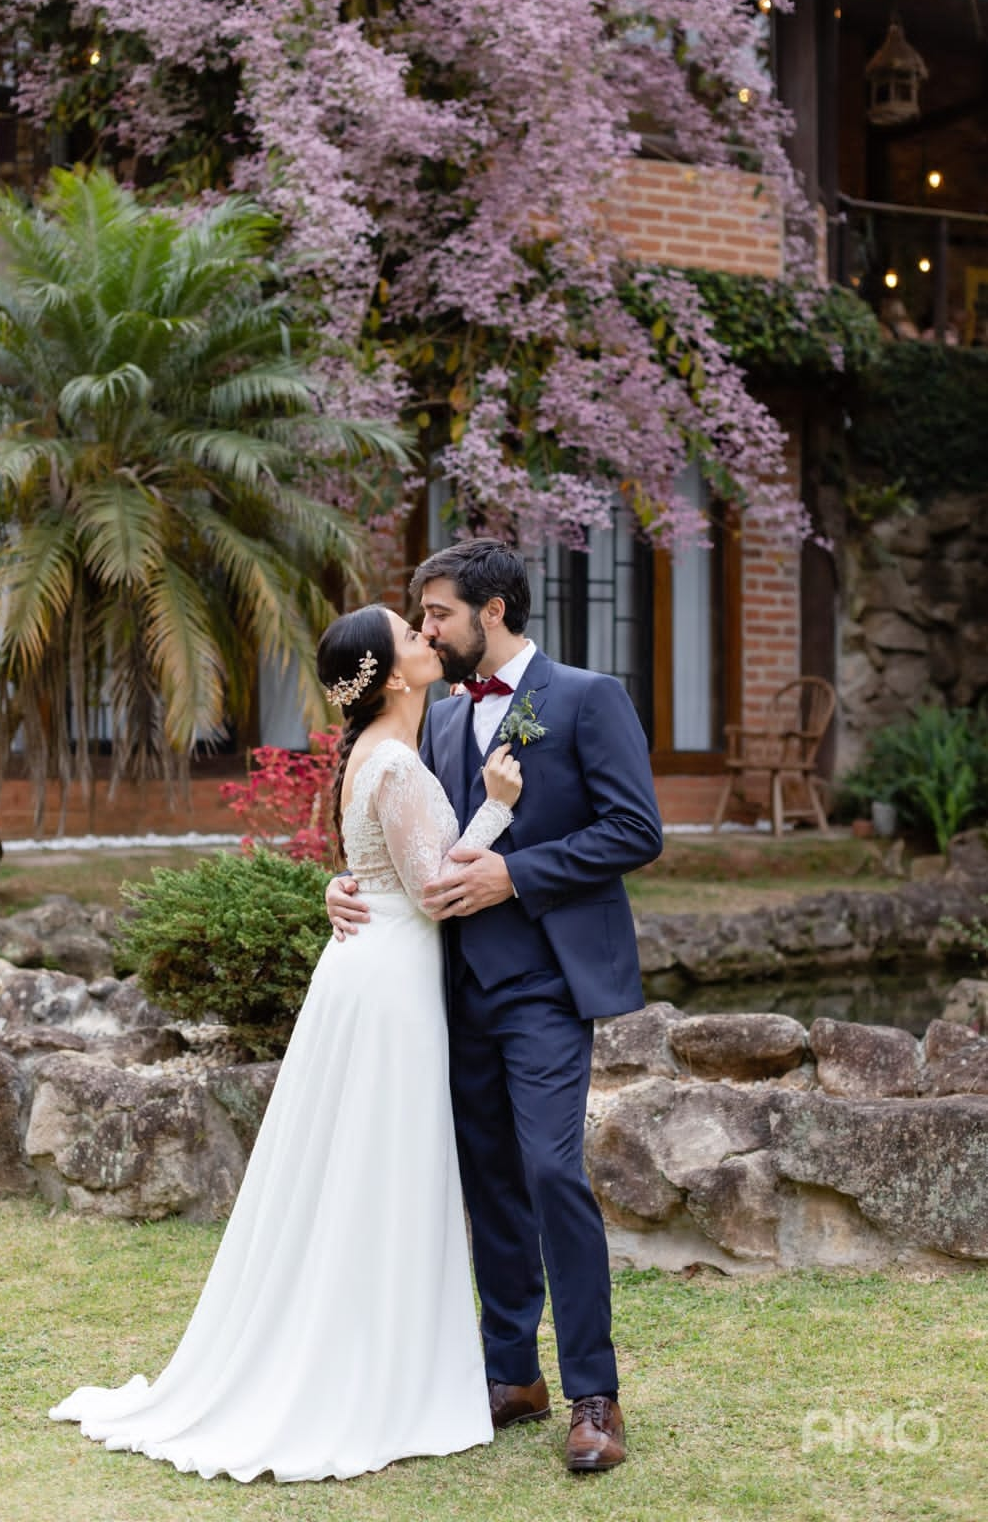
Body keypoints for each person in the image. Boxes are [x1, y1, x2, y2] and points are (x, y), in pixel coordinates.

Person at [49, 602, 524, 1484]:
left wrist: (346, 886)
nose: (428, 638)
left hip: (364, 969)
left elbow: (373, 870)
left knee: (357, 1164)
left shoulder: (374, 755)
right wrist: (495, 811)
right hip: (389, 980)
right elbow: (433, 891)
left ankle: (374, 1349)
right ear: (387, 674)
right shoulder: (397, 764)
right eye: (411, 635)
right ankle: (373, 1372)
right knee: (383, 1166)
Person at [327, 539, 663, 1473]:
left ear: (496, 610)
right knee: (487, 1182)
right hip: (448, 990)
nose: (427, 630)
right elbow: (408, 841)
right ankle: (510, 1374)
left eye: (438, 614)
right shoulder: (435, 722)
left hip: (547, 984)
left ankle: (596, 1396)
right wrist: (343, 886)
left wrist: (518, 874)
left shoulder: (589, 699)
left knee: (553, 1172)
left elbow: (637, 829)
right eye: (422, 618)